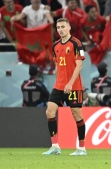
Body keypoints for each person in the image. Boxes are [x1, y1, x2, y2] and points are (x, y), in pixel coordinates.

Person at [43, 18, 87, 156]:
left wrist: (70, 83)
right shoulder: (55, 45)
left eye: (63, 26)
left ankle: (82, 148)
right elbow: (58, 64)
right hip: (59, 86)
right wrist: (59, 79)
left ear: (69, 27)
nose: (60, 29)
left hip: (73, 86)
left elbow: (79, 65)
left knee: (76, 115)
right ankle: (55, 146)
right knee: (50, 112)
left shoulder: (76, 43)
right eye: (58, 27)